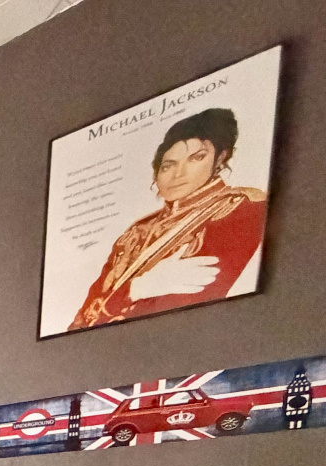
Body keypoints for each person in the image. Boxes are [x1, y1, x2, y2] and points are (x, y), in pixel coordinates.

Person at [70, 108, 267, 330]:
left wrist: (130, 296)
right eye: (168, 165)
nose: (178, 174)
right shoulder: (137, 231)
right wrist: (138, 289)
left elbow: (195, 312)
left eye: (196, 158)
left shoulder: (243, 209)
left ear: (220, 159)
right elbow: (81, 324)